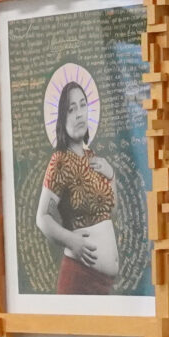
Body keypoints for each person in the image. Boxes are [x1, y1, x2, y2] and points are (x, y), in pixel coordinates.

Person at [32, 74, 122, 292]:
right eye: (71, 109)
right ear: (62, 119)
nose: (79, 113)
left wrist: (112, 176)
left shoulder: (93, 158)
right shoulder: (60, 160)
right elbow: (42, 217)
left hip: (105, 284)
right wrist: (72, 241)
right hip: (79, 277)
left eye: (83, 105)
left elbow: (112, 212)